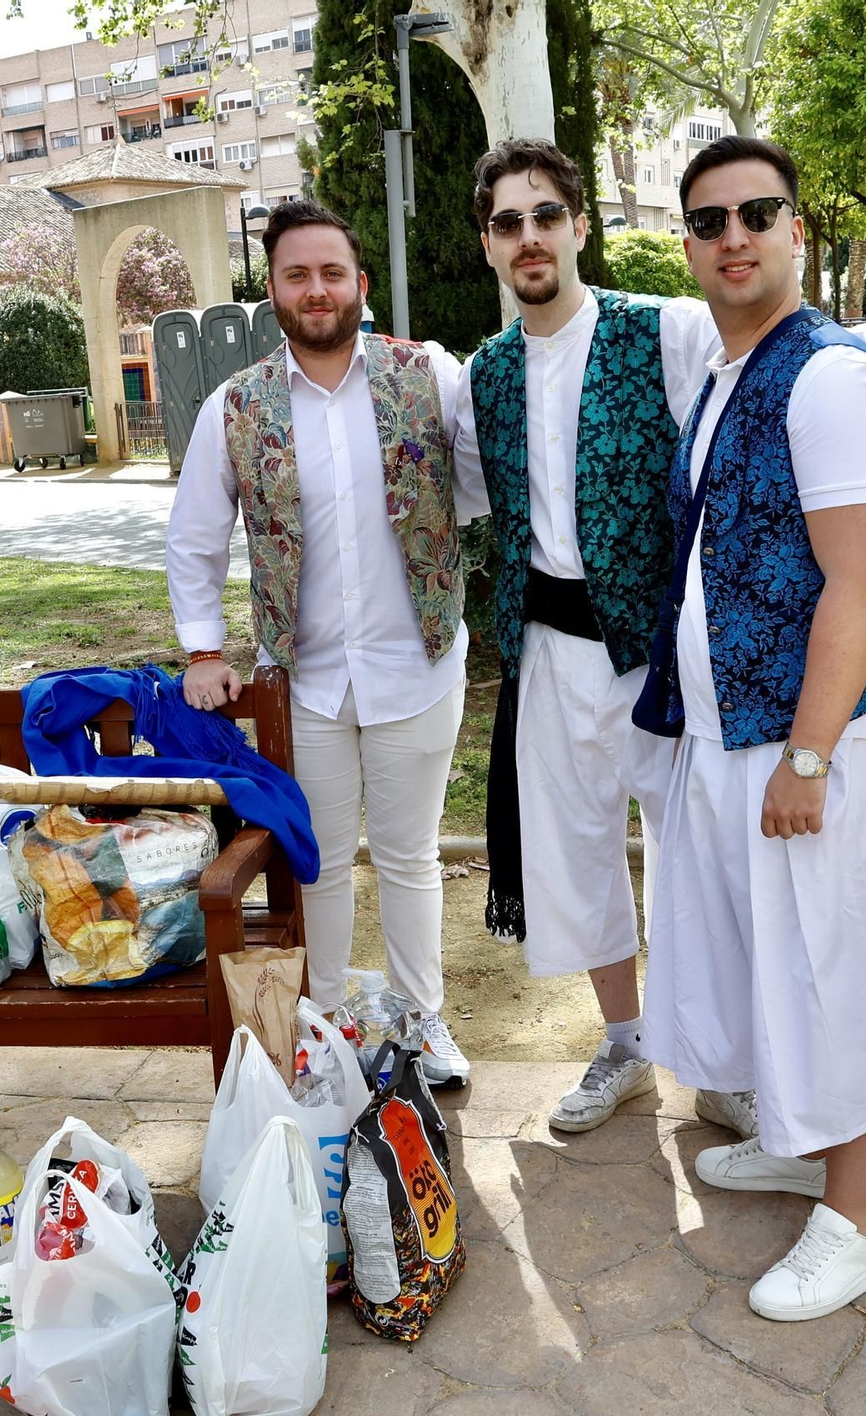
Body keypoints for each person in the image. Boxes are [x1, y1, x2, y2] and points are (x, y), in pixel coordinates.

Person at [635, 135, 866, 1321]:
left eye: (757, 212)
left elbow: (858, 584)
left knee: (830, 969)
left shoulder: (831, 377)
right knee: (768, 962)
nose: (733, 235)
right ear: (689, 246)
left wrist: (807, 753)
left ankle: (853, 1223)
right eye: (708, 221)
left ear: (797, 230)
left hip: (805, 744)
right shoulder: (724, 373)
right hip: (726, 734)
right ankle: (802, 1144)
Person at [165, 199, 480, 1086]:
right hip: (302, 680)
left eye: (332, 272)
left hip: (417, 663)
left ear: (361, 285)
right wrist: (201, 650)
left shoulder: (429, 375)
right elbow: (194, 538)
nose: (317, 289)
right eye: (297, 275)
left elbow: (485, 487)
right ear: (273, 292)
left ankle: (423, 1023)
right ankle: (332, 1024)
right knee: (323, 858)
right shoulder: (236, 405)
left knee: (414, 855)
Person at [453, 138, 730, 1135]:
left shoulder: (663, 331)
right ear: (487, 244)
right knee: (575, 854)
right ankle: (624, 1042)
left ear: (576, 225)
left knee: (690, 855)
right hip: (547, 647)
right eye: (505, 223)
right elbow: (462, 499)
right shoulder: (481, 375)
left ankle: (720, 1062)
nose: (527, 238)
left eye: (543, 216)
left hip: (658, 650)